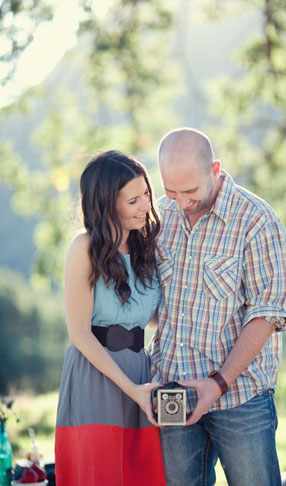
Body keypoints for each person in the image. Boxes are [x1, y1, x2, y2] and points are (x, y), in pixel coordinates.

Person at [149, 127, 286, 486]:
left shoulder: (258, 221)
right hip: (174, 391)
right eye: (171, 190)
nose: (180, 202)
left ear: (215, 170)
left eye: (190, 191)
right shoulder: (160, 216)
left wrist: (217, 383)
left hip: (240, 396)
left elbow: (266, 314)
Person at [55, 151, 165, 486]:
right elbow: (79, 334)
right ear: (106, 204)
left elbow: (156, 320)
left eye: (146, 193)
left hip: (140, 374)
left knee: (142, 475)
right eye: (133, 200)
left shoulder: (149, 247)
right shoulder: (83, 248)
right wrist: (133, 390)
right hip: (95, 378)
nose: (146, 205)